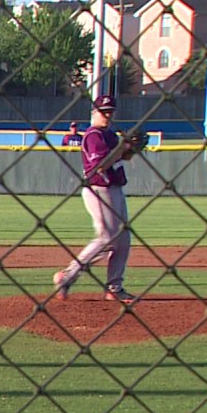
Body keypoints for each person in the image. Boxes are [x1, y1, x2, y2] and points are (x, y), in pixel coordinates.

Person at [53, 94, 137, 304]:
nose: (107, 115)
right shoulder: (92, 135)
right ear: (94, 113)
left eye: (110, 111)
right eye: (103, 111)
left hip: (115, 188)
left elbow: (121, 157)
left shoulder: (109, 134)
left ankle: (114, 288)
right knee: (108, 238)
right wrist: (122, 149)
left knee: (123, 241)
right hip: (98, 189)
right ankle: (67, 276)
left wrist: (131, 149)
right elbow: (102, 164)